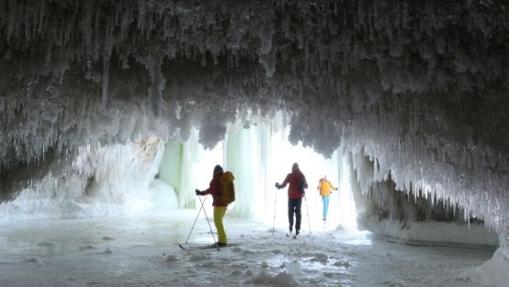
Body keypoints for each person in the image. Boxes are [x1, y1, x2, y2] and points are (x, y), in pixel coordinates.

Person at [196, 165, 234, 246]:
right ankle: (222, 239)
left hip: (218, 204)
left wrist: (201, 193)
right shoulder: (224, 179)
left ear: (215, 172)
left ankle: (223, 241)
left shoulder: (216, 180)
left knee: (218, 223)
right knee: (219, 222)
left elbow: (211, 190)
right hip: (224, 204)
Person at [275, 163, 308, 237]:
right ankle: (297, 229)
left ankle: (291, 225)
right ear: (298, 168)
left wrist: (278, 186)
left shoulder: (290, 175)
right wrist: (302, 186)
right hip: (299, 197)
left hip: (291, 196)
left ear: (292, 168)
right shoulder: (301, 176)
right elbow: (306, 186)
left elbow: (283, 185)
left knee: (290, 212)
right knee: (298, 213)